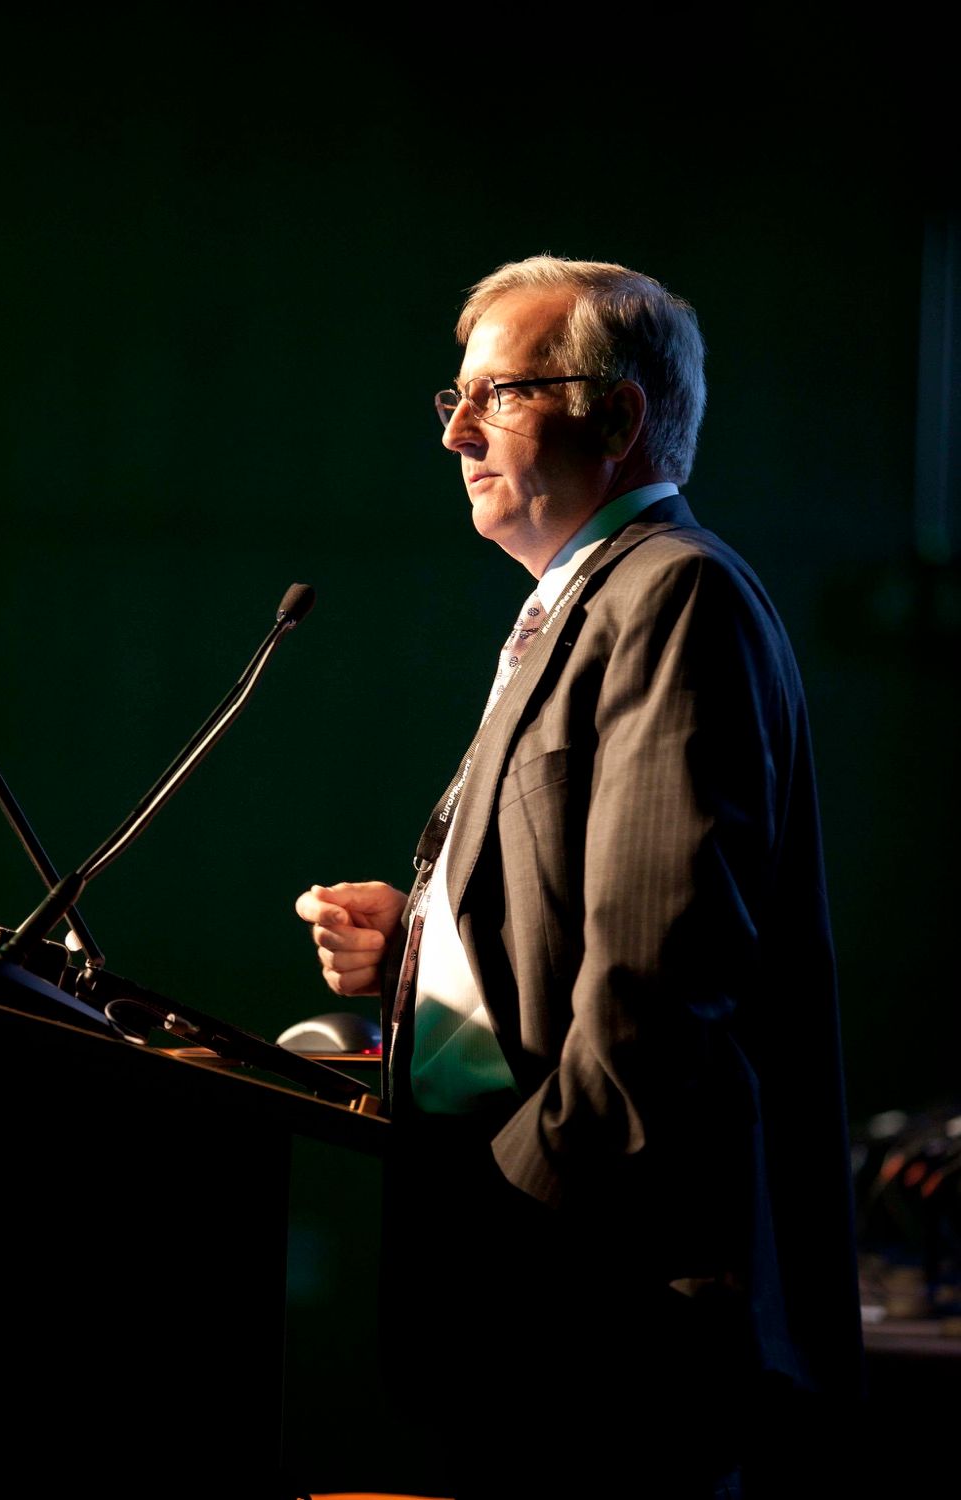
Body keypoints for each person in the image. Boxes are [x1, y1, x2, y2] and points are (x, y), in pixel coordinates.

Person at [295, 255, 863, 1497]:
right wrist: (425, 947)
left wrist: (511, 1224)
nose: (453, 430)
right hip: (551, 1295)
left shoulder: (674, 594)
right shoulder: (582, 603)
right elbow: (577, 925)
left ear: (618, 415)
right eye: (453, 395)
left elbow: (658, 1004)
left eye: (495, 395)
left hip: (601, 1297)